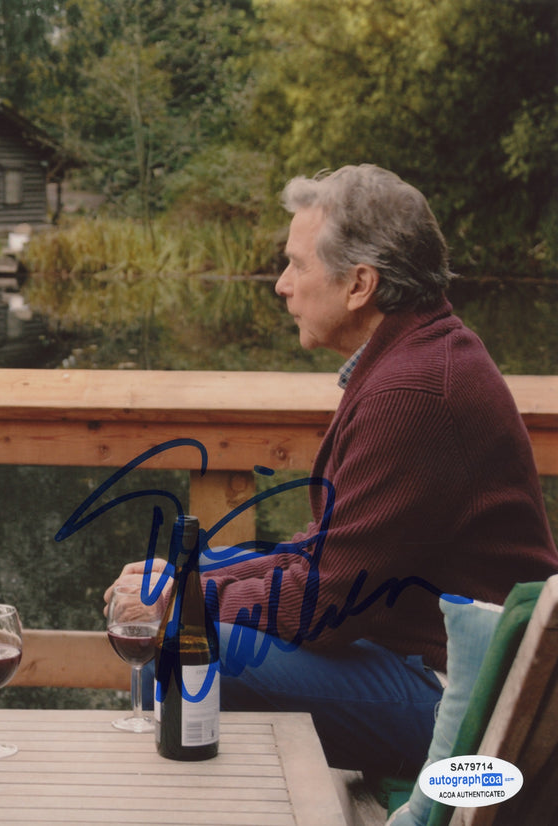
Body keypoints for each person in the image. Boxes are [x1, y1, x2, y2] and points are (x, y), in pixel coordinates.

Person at [106, 164, 558, 777]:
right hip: (430, 658)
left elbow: (321, 604)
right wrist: (190, 579)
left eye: (297, 265)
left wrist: (183, 603)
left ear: (359, 285)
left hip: (471, 701)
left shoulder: (415, 394)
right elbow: (327, 552)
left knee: (192, 647)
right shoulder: (418, 358)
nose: (282, 285)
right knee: (194, 585)